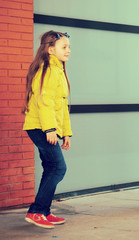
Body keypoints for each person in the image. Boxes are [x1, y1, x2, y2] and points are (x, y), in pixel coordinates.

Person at [22, 31, 72, 229]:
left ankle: (43, 211)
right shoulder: (48, 69)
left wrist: (65, 132)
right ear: (51, 49)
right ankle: (36, 211)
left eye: (69, 47)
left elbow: (62, 106)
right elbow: (44, 102)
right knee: (59, 168)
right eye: (64, 47)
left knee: (51, 168)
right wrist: (50, 128)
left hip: (45, 127)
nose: (69, 50)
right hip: (40, 126)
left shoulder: (57, 69)